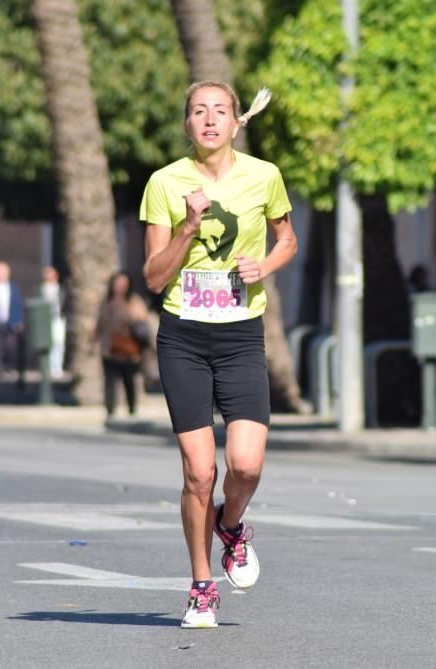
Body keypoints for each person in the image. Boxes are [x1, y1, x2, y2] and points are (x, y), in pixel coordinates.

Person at [141, 81, 297, 629]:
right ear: (187, 125)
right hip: (183, 336)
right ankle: (202, 585)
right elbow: (155, 277)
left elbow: (287, 240)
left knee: (247, 464)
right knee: (199, 473)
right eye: (199, 112)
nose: (209, 120)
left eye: (220, 111)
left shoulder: (264, 176)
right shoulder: (165, 182)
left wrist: (265, 268)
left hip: (240, 336)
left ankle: (231, 526)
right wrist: (187, 225)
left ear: (236, 123)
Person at [95, 271, 149, 417]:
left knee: (128, 380)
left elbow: (141, 320)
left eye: (123, 284)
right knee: (110, 381)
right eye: (117, 284)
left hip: (128, 348)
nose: (119, 287)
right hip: (109, 347)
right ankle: (110, 410)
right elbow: (100, 324)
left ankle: (132, 408)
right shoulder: (106, 302)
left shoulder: (134, 302)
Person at [39, 265, 66, 379]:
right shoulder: (41, 289)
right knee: (48, 344)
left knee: (58, 343)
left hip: (58, 319)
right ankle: (48, 368)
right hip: (45, 319)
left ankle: (58, 367)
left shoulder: (61, 289)